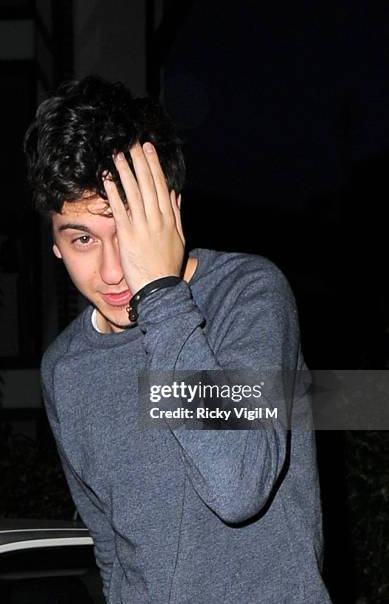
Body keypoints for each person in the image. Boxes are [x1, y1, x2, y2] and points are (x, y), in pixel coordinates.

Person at [23, 75, 331, 603]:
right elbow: (112, 551)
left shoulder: (247, 296)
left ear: (171, 214)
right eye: (82, 239)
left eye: (128, 231)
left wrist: (161, 296)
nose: (114, 270)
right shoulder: (65, 369)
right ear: (55, 246)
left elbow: (238, 486)